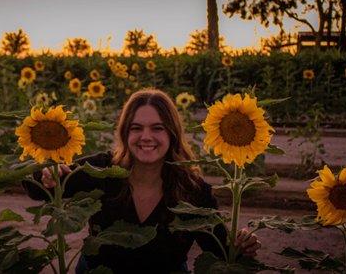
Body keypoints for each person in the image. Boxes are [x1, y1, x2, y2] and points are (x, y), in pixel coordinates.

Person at [24, 88, 260, 273]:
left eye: (157, 128)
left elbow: (221, 251)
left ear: (172, 134)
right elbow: (38, 187)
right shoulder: (103, 170)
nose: (146, 137)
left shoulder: (193, 191)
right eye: (136, 128)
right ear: (126, 133)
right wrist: (46, 174)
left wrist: (243, 245)